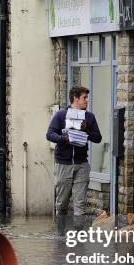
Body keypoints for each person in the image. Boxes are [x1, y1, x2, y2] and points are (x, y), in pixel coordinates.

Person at [46, 85, 102, 216]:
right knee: (62, 203)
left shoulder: (89, 117)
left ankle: (78, 235)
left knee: (80, 203)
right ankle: (60, 234)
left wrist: (86, 129)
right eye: (84, 98)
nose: (87, 100)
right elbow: (49, 134)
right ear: (75, 99)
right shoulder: (61, 115)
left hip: (82, 164)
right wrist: (64, 138)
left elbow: (98, 138)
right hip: (64, 164)